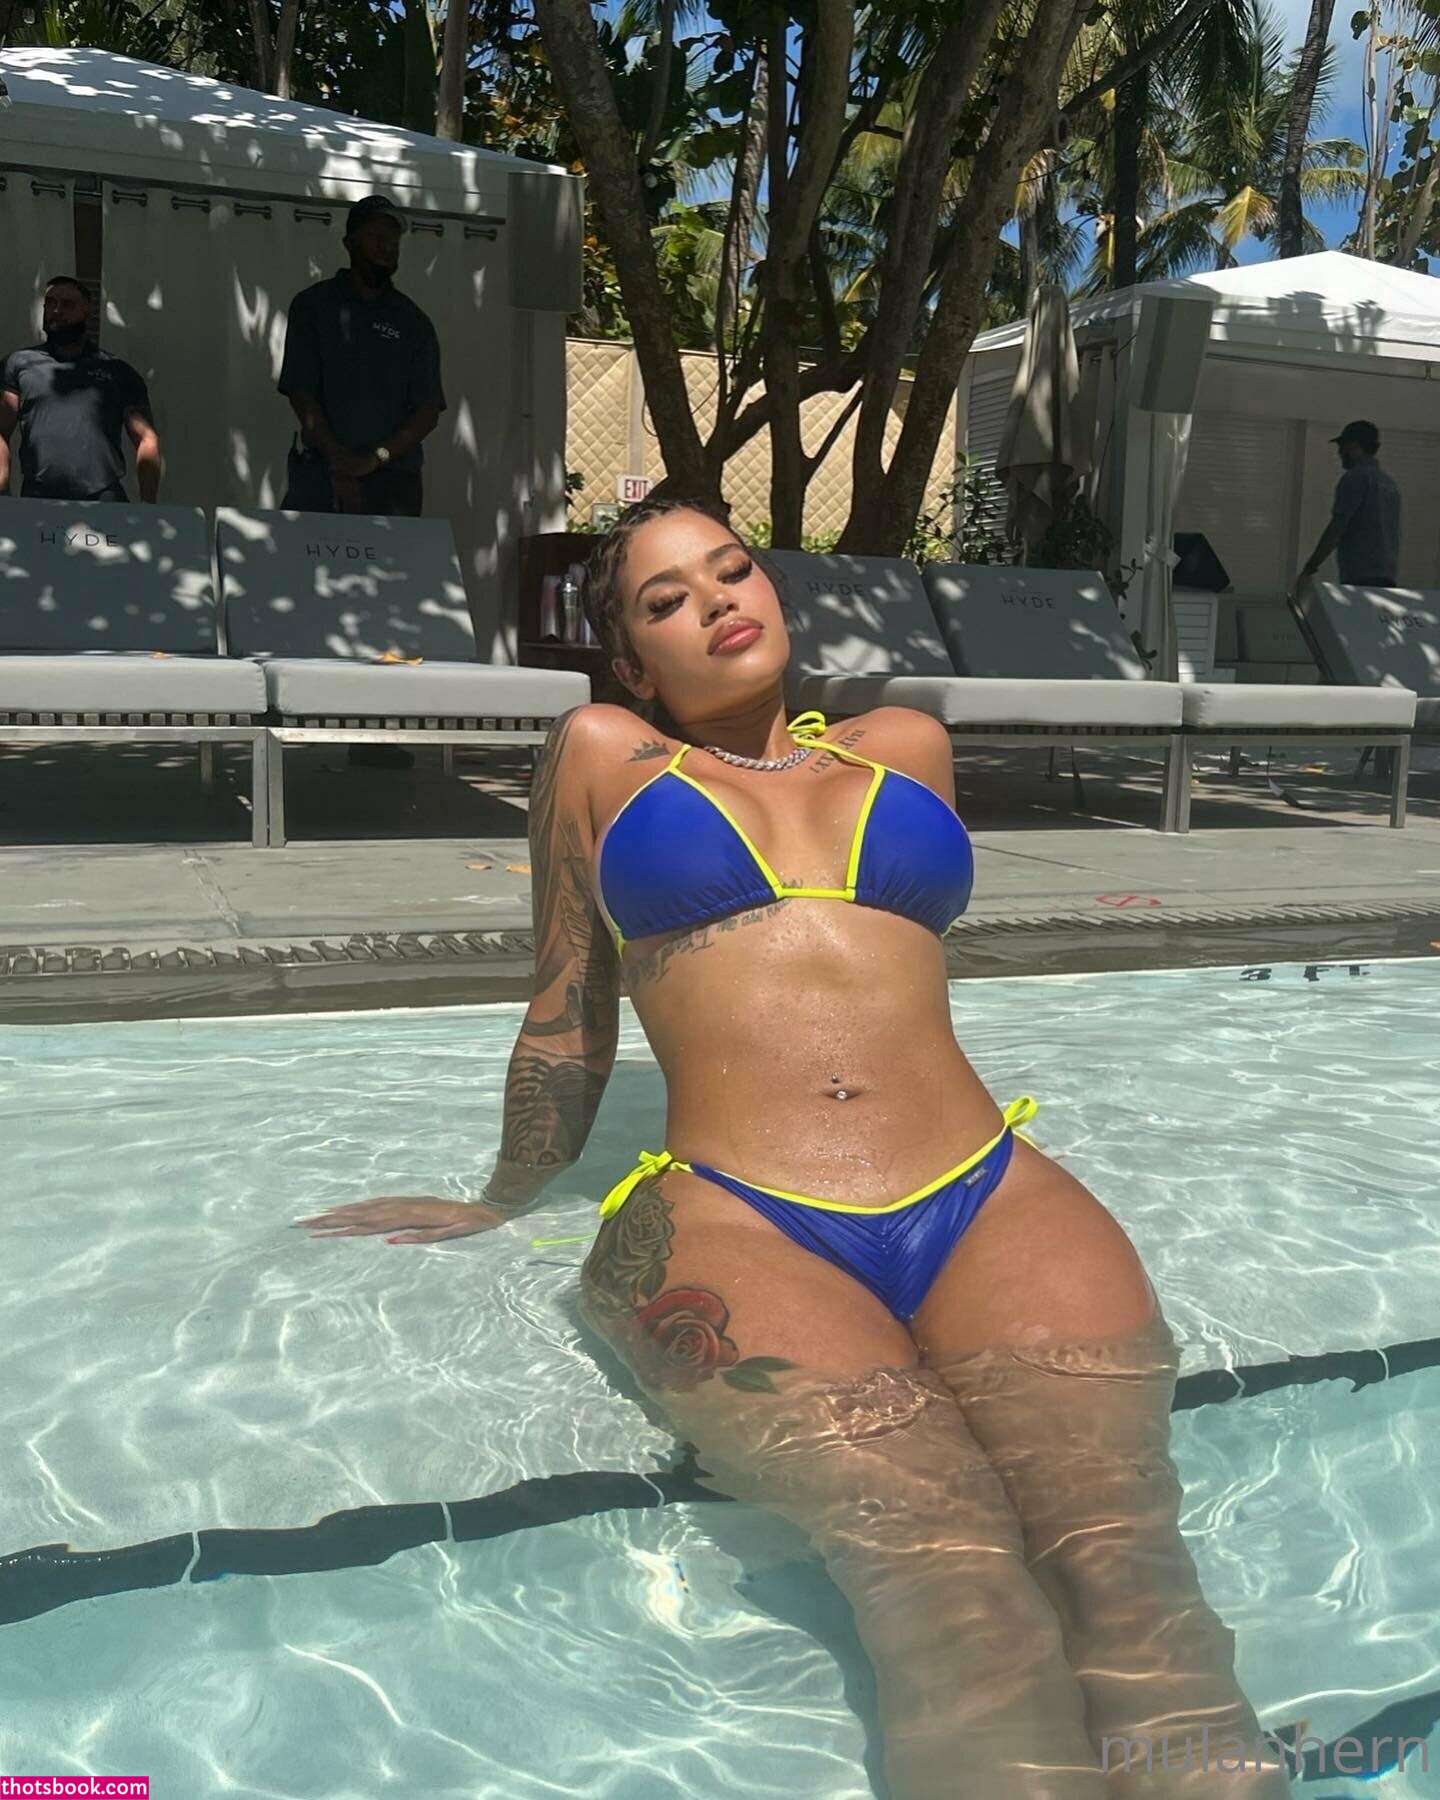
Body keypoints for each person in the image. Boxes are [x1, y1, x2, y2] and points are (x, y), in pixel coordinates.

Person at [296, 496, 1291, 1798]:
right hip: (742, 1218)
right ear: (634, 662)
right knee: (951, 1585)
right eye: (666, 600)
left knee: (1129, 1574)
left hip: (988, 1195)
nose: (716, 600)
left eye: (732, 569)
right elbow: (567, 1004)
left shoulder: (907, 747)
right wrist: (500, 1195)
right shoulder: (607, 753)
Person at [276, 193, 445, 520]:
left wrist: (374, 459)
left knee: (393, 556)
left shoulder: (413, 322)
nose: (387, 247)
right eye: (376, 236)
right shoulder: (313, 306)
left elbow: (427, 411)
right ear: (349, 242)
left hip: (393, 481)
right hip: (321, 475)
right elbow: (301, 392)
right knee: (308, 552)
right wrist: (340, 462)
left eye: (394, 240)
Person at [0, 275, 161, 502]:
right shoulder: (18, 364)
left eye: (67, 305)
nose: (56, 311)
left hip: (104, 498)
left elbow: (147, 438)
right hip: (39, 498)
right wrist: (2, 495)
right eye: (50, 303)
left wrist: (148, 505)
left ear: (87, 312)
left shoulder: (118, 372)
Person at [1296, 418, 1401, 589]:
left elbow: (1338, 526)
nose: (1339, 453)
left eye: (1341, 446)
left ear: (1353, 446)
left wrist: (1310, 567)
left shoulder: (1355, 478)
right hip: (1387, 574)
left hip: (1360, 573)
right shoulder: (1388, 483)